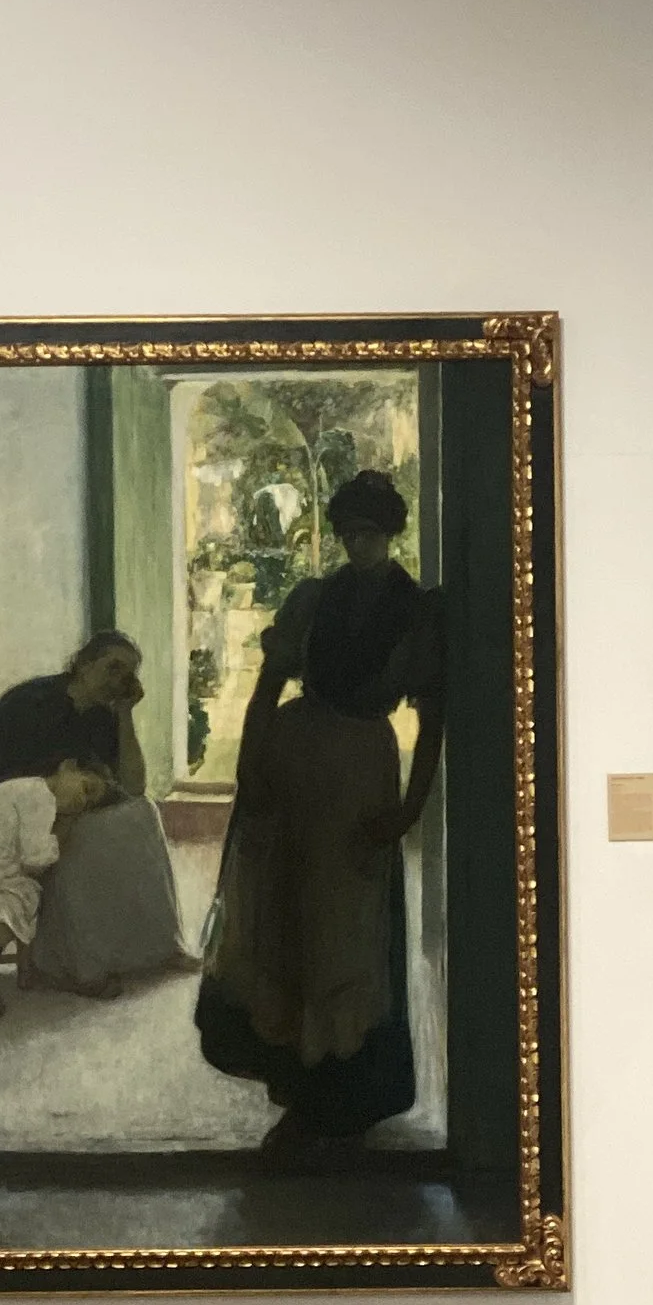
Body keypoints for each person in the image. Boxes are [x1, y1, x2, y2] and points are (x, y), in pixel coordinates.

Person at [197, 470, 445, 1161]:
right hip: (293, 756)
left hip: (360, 772)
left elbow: (433, 722)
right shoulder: (313, 597)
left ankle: (348, 1100)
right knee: (283, 922)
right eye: (348, 534)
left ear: (390, 534)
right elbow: (268, 683)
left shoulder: (414, 610)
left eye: (369, 533)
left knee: (347, 929)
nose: (357, 544)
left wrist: (406, 810)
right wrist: (251, 761)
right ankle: (297, 1098)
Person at [0, 632, 188, 995]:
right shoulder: (32, 701)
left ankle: (160, 946)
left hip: (60, 803)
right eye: (113, 668)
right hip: (2, 806)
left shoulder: (101, 717)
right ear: (83, 663)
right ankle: (81, 967)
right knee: (81, 842)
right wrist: (62, 807)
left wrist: (124, 716)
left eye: (128, 674)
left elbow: (134, 786)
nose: (120, 681)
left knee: (142, 814)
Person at [0, 760, 116, 1016]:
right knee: (23, 897)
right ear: (66, 768)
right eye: (86, 788)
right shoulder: (40, 798)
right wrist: (64, 827)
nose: (82, 802)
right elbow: (34, 862)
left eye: (88, 804)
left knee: (16, 888)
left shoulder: (27, 789)